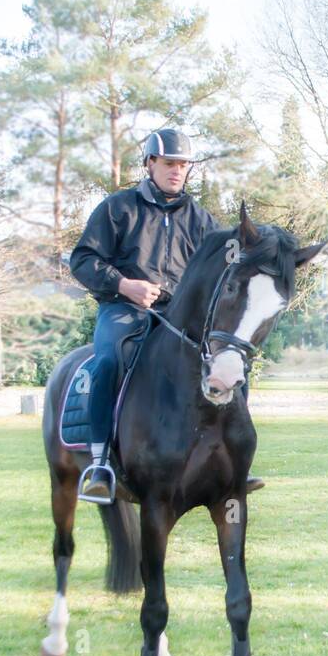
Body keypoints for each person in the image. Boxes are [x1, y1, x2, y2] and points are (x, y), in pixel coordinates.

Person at [67, 127, 263, 503]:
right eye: (170, 163)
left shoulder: (202, 222)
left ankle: (237, 460)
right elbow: (82, 259)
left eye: (184, 165)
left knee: (233, 365)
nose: (177, 171)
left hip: (180, 320)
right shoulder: (117, 208)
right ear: (150, 163)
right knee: (108, 361)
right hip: (124, 309)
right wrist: (125, 285)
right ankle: (99, 464)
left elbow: (223, 274)